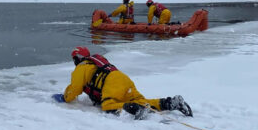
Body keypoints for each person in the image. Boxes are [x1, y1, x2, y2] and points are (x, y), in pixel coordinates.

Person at [52, 46, 192, 118]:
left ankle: (134, 109)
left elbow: (75, 88)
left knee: (108, 105)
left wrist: (65, 97)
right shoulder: (97, 62)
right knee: (141, 100)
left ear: (77, 58)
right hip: (122, 78)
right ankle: (169, 102)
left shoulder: (81, 68)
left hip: (110, 83)